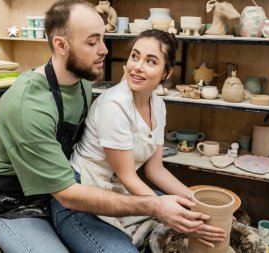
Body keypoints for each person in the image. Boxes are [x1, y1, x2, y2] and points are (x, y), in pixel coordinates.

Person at [0, 1, 225, 252]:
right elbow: (67, 194)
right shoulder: (28, 106)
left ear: (166, 72)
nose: (105, 50)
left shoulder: (83, 84)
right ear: (61, 45)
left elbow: (150, 169)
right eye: (92, 42)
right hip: (18, 205)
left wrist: (196, 205)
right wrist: (154, 206)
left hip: (63, 190)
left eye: (103, 39)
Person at [51, 29, 226, 252]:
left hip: (122, 193)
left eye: (150, 61)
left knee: (191, 217)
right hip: (82, 200)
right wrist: (161, 208)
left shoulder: (159, 106)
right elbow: (128, 176)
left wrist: (197, 201)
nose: (137, 67)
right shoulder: (114, 105)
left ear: (166, 72)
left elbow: (155, 170)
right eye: (135, 56)